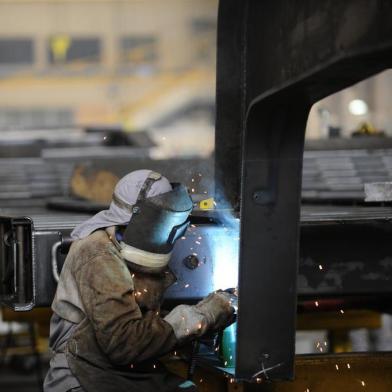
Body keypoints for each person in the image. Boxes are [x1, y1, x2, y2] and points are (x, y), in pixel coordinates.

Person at [44, 169, 235, 392]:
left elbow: (139, 322)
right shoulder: (99, 254)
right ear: (140, 218)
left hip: (119, 369)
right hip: (82, 375)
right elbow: (123, 343)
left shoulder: (121, 246)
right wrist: (203, 315)